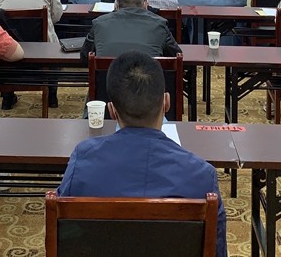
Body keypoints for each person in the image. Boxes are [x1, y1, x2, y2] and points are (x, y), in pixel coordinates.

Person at [58, 51, 226, 257]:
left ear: (112, 110)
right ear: (166, 103)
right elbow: (217, 250)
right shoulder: (202, 175)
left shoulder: (82, 162)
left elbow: (64, 238)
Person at [80, 0, 181, 64]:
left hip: (107, 81)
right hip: (148, 81)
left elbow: (84, 57)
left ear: (116, 5)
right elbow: (176, 55)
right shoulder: (159, 24)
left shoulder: (99, 23)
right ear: (145, 4)